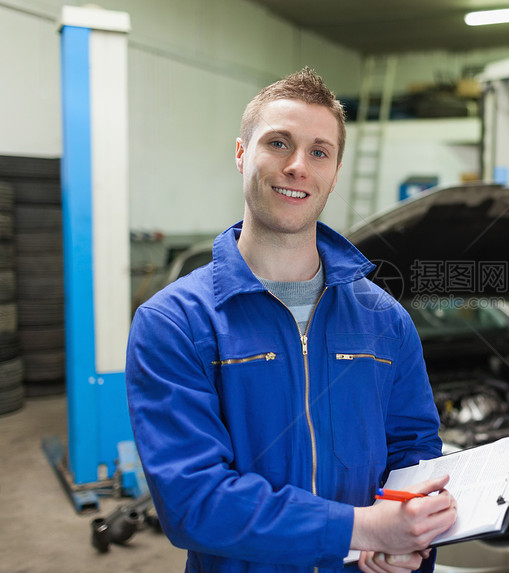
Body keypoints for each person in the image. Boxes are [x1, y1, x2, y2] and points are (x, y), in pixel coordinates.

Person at [125, 67, 457, 573]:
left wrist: (403, 539)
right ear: (241, 154)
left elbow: (414, 451)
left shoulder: (385, 320)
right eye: (278, 143)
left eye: (319, 151)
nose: (298, 166)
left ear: (335, 171)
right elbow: (194, 500)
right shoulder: (173, 323)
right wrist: (362, 528)